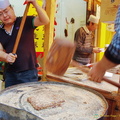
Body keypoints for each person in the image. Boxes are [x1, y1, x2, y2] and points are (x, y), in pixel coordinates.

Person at [0, 0, 49, 88]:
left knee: (27, 98)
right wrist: (6, 56)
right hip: (10, 74)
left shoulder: (25, 21)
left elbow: (45, 20)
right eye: (0, 14)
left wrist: (35, 3)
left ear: (12, 9)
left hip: (28, 73)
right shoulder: (0, 31)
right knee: (10, 99)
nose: (5, 16)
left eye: (6, 11)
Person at [88, 6, 120, 83]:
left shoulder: (90, 32)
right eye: (95, 25)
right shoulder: (80, 32)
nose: (96, 28)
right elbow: (79, 47)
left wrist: (101, 66)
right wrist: (92, 49)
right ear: (91, 23)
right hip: (80, 59)